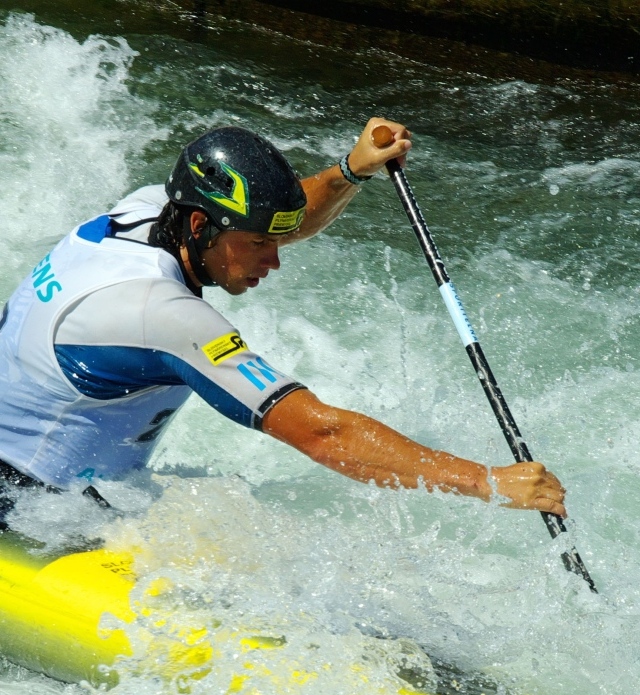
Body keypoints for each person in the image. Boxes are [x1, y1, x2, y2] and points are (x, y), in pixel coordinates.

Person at [0, 117, 565, 523]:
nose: (274, 259)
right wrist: (488, 482)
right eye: (257, 245)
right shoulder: (161, 313)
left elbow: (279, 220)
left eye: (274, 240)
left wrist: (351, 170)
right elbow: (323, 433)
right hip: (30, 508)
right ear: (200, 227)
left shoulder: (149, 207)